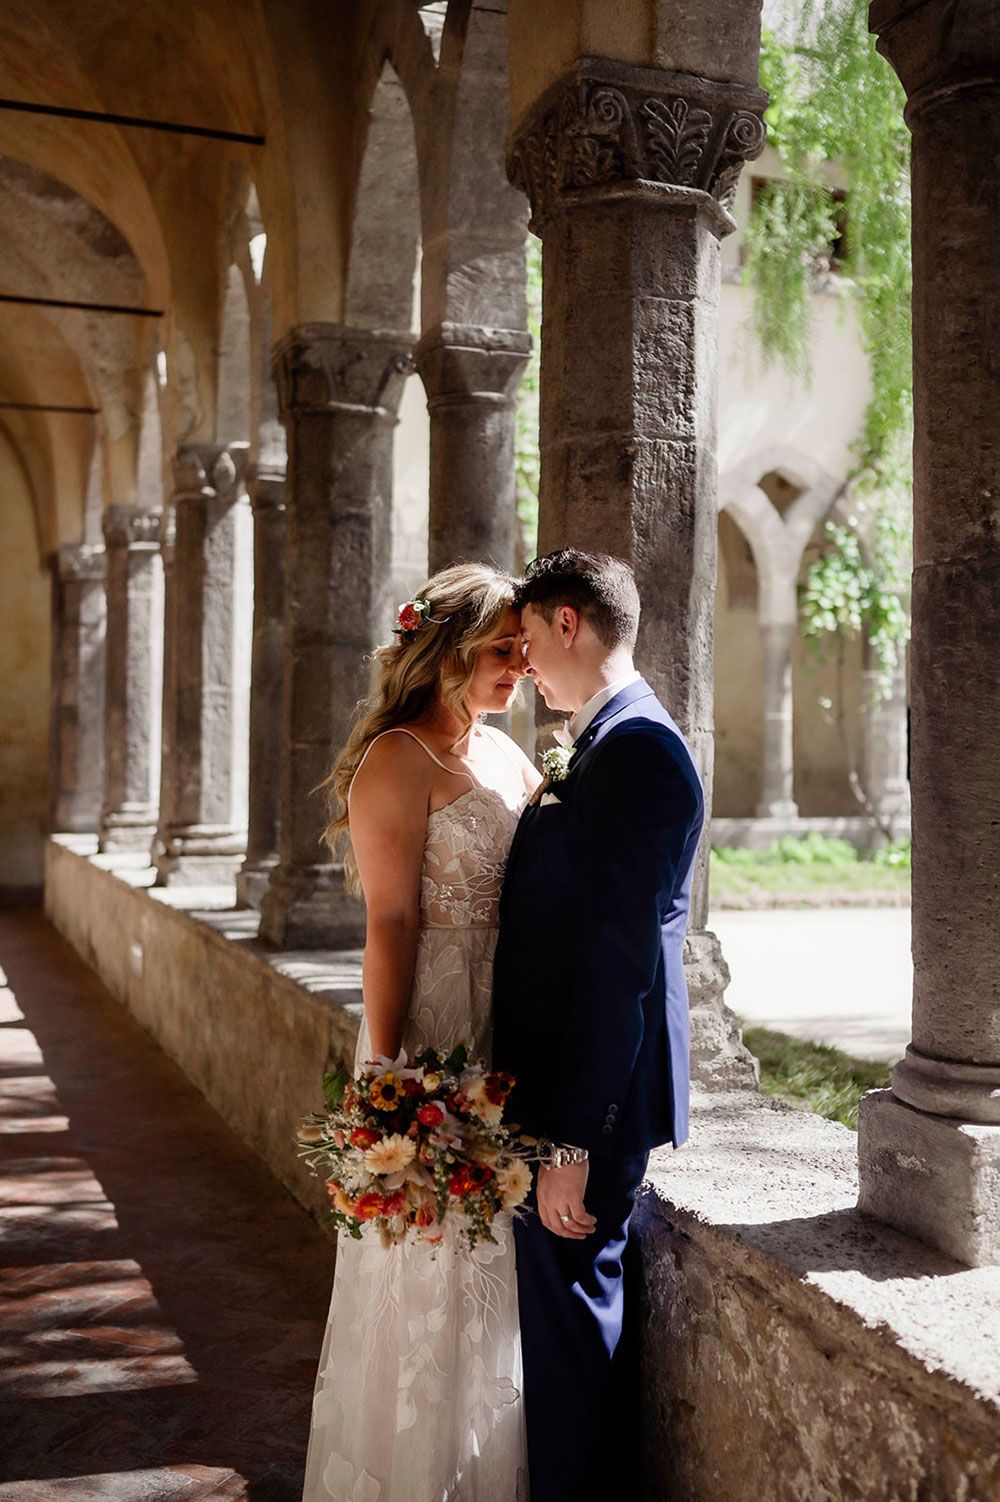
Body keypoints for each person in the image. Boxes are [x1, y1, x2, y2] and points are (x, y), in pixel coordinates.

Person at [301, 563, 540, 1502]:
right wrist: (388, 1082)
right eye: (500, 649)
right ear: (445, 652)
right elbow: (392, 923)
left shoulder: (503, 754)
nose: (519, 665)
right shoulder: (397, 759)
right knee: (435, 1252)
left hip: (509, 1019)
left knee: (499, 1254)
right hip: (436, 1030)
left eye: (525, 649)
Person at [493, 548, 705, 1502]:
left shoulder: (640, 752)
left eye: (530, 640)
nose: (526, 663)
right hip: (565, 1090)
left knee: (575, 1345)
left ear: (568, 625)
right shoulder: (605, 739)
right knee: (560, 1340)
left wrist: (571, 1135)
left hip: (595, 1106)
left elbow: (619, 968)